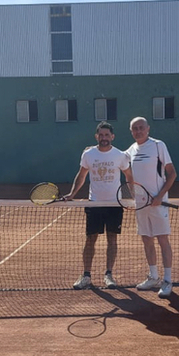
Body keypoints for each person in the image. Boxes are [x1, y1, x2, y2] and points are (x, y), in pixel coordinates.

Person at [65, 121, 133, 289]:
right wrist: (72, 194)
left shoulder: (120, 155)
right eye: (101, 135)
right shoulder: (88, 154)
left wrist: (134, 198)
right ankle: (86, 275)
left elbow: (129, 178)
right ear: (97, 136)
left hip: (114, 205)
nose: (104, 138)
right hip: (94, 203)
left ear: (112, 137)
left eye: (107, 135)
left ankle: (109, 275)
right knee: (90, 240)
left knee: (112, 239)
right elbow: (81, 176)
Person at [125, 117, 177, 299]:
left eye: (141, 127)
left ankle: (168, 280)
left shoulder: (158, 145)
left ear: (148, 128)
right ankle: (153, 277)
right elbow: (120, 165)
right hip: (141, 204)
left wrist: (159, 196)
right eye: (134, 129)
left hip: (157, 203)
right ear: (131, 131)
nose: (138, 131)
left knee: (162, 239)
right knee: (146, 239)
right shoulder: (130, 150)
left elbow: (172, 173)